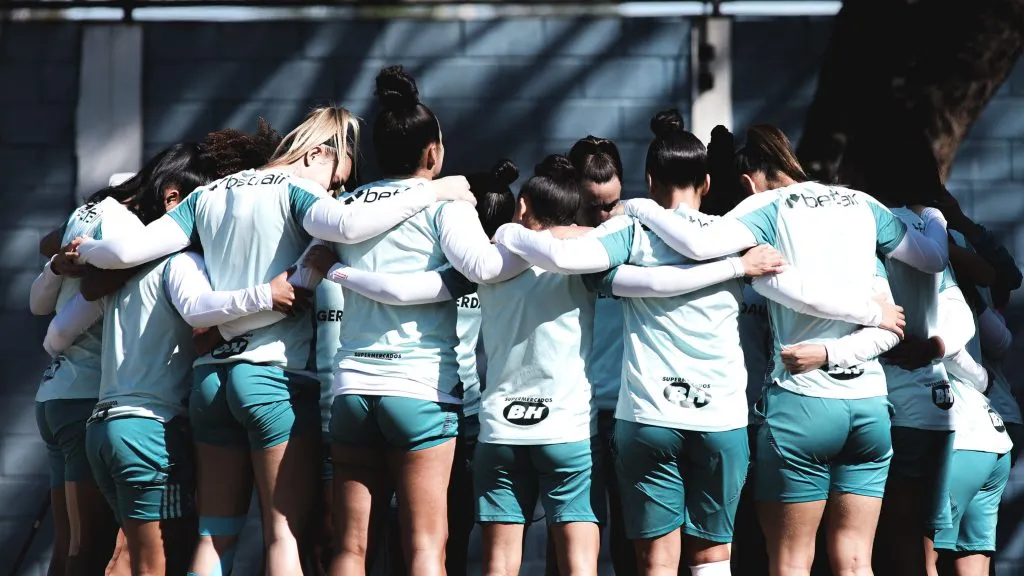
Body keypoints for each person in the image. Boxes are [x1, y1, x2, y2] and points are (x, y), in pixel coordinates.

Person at [67, 106, 475, 576]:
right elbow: (347, 227)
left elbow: (125, 252)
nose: (337, 189)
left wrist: (83, 250)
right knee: (284, 535)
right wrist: (431, 190)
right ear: (318, 153)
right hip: (272, 379)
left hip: (211, 382)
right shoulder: (297, 189)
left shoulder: (209, 194)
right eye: (339, 176)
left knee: (214, 536)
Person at [325, 66, 528, 576]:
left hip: (351, 388)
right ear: (433, 153)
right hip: (419, 389)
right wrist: (535, 240)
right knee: (425, 549)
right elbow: (484, 268)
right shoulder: (446, 205)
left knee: (349, 550)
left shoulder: (347, 206)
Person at [29, 142, 228, 576]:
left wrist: (63, 263)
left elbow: (48, 272)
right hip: (110, 410)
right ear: (173, 197)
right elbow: (58, 331)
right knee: (111, 552)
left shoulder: (101, 217)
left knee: (83, 547)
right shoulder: (145, 243)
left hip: (74, 405)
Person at [562, 135, 634, 576]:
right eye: (594, 207)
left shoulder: (639, 239)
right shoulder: (553, 248)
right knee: (572, 555)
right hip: (574, 418)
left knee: (634, 547)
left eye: (612, 204)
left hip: (631, 414)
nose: (605, 215)